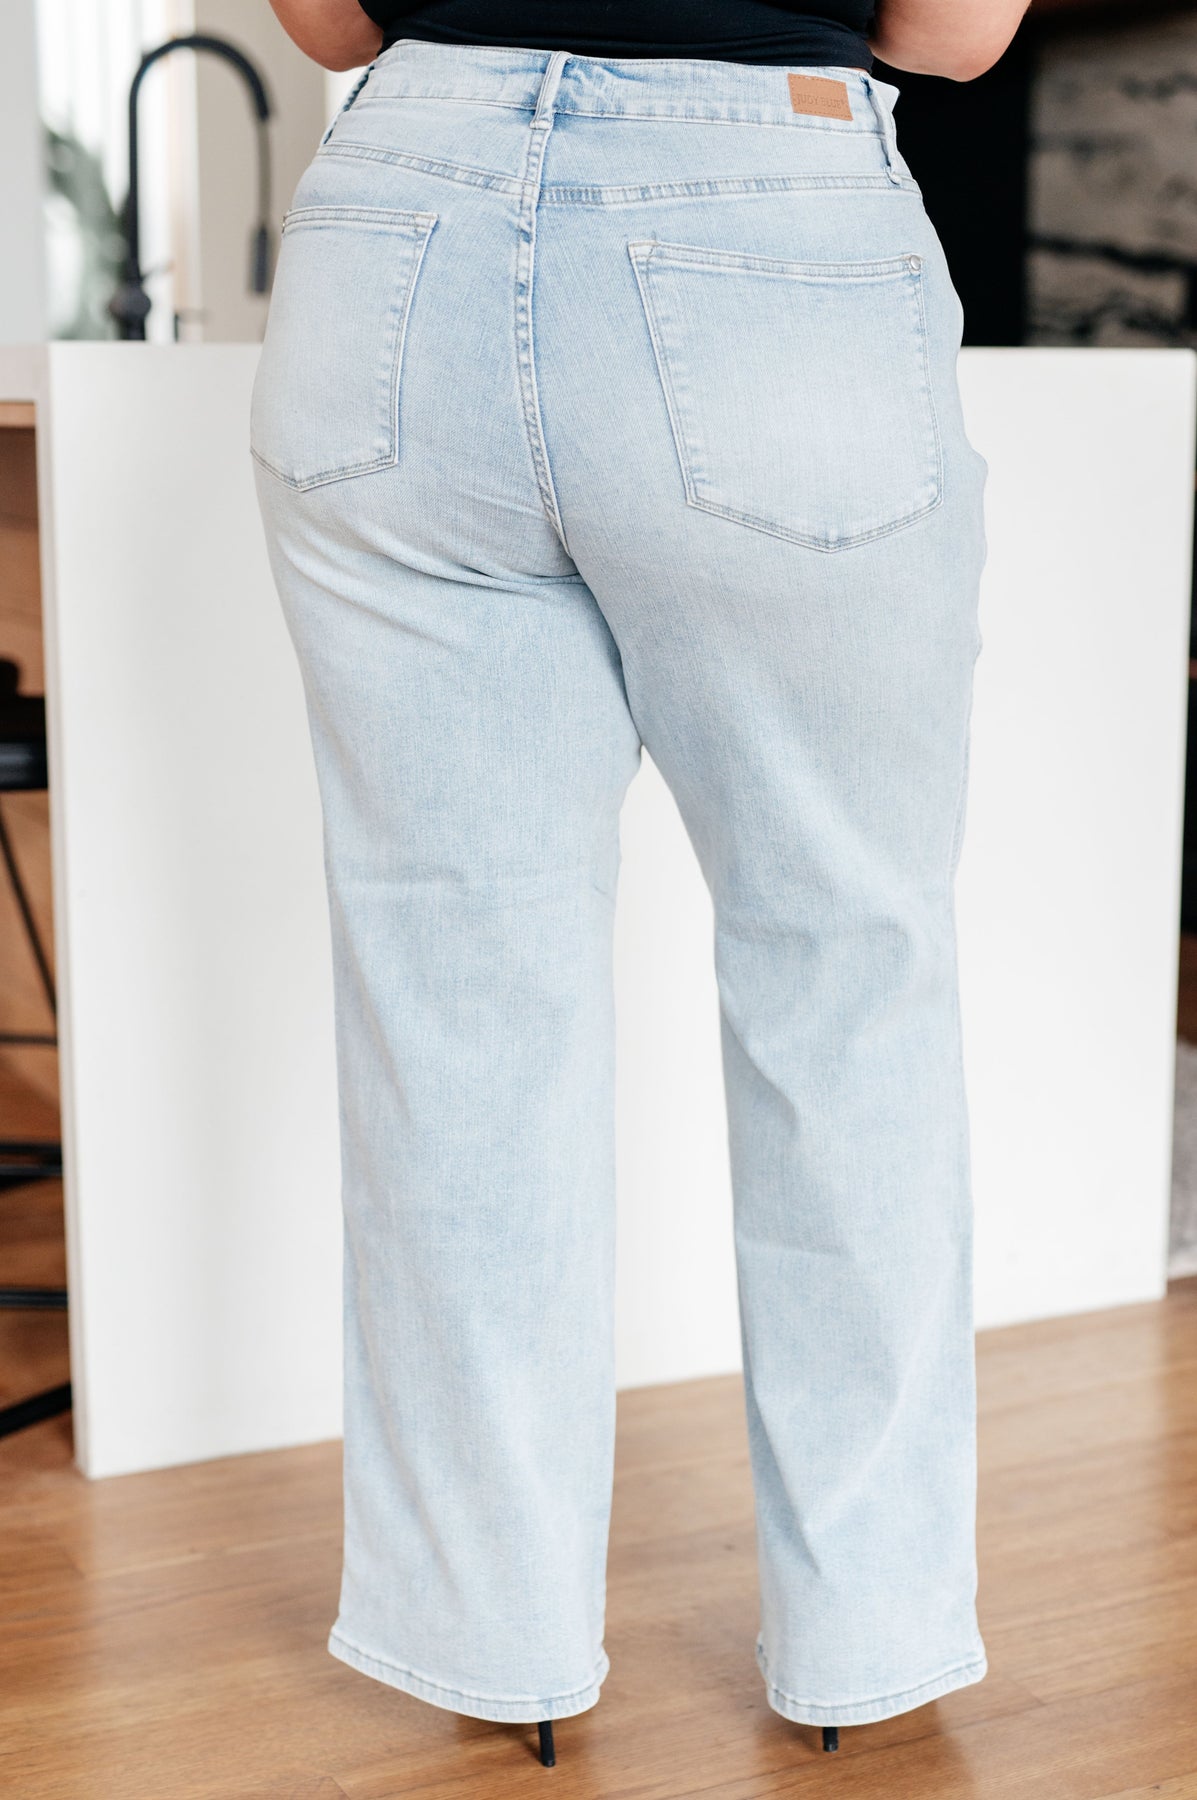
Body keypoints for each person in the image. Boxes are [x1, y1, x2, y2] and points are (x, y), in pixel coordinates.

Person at [256, 0, 1028, 1766]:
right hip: (766, 223)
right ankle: (864, 1645)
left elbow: (323, 19)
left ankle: (492, 1645)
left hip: (401, 217)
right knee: (842, 973)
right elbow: (956, 31)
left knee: (458, 1002)